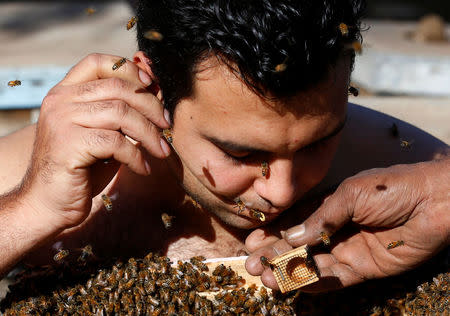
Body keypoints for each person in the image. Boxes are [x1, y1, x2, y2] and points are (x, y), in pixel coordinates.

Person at [0, 0, 447, 292]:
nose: (283, 192)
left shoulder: (406, 170)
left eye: (319, 142)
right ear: (151, 89)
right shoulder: (24, 180)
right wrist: (31, 211)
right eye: (241, 154)